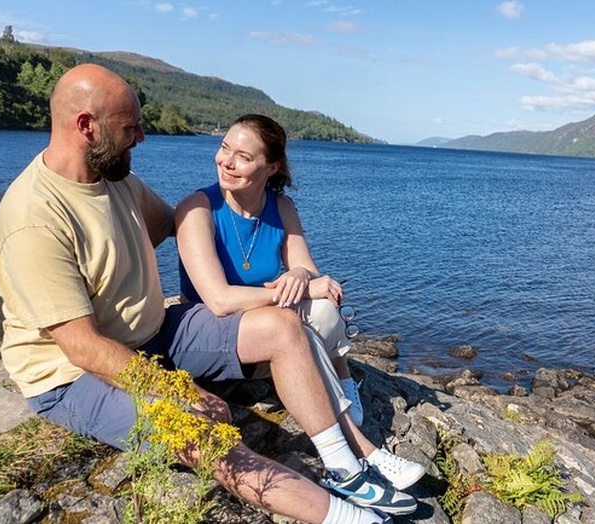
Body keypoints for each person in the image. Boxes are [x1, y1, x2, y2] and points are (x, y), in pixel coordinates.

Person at [0, 63, 414, 524]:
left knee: (282, 326)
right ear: (86, 127)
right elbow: (83, 348)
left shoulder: (116, 181)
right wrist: (175, 389)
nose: (143, 138)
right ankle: (350, 518)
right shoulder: (35, 218)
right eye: (131, 127)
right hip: (71, 376)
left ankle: (343, 466)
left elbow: (175, 225)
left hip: (155, 336)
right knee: (202, 431)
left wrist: (254, 237)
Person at [175, 113, 426, 492]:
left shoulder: (281, 208)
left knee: (324, 305)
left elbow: (309, 271)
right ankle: (365, 453)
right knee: (296, 326)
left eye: (242, 156)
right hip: (220, 338)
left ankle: (343, 381)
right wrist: (288, 292)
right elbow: (220, 300)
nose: (225, 161)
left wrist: (300, 276)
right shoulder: (197, 209)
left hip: (265, 333)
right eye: (224, 148)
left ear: (271, 166)